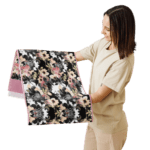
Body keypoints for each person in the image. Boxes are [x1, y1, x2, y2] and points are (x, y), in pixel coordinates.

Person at [75, 4, 137, 150]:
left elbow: (98, 96)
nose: (102, 31)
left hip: (110, 128)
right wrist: (41, 59)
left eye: (108, 29)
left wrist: (70, 101)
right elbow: (76, 56)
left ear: (122, 30)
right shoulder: (103, 43)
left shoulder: (123, 61)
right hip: (93, 120)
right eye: (102, 26)